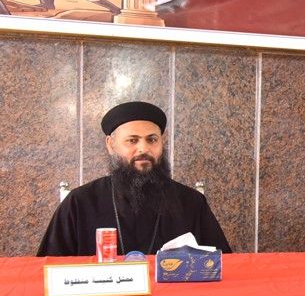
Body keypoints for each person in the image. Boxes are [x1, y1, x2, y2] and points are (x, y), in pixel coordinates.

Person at [37, 101, 231, 256]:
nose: (143, 149)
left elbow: (222, 265)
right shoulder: (79, 203)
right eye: (132, 140)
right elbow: (48, 270)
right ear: (111, 145)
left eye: (152, 139)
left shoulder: (191, 203)